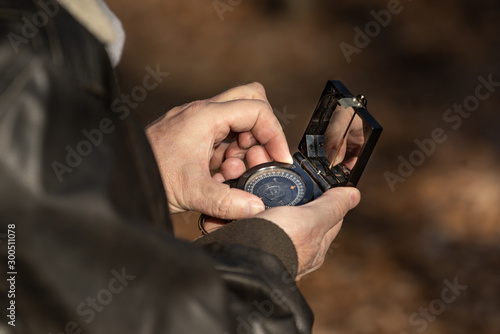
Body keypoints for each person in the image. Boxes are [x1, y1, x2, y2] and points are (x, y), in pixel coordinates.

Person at [0, 1, 360, 333]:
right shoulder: (28, 64)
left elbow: (48, 250)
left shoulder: (31, 47)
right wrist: (266, 253)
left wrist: (141, 172)